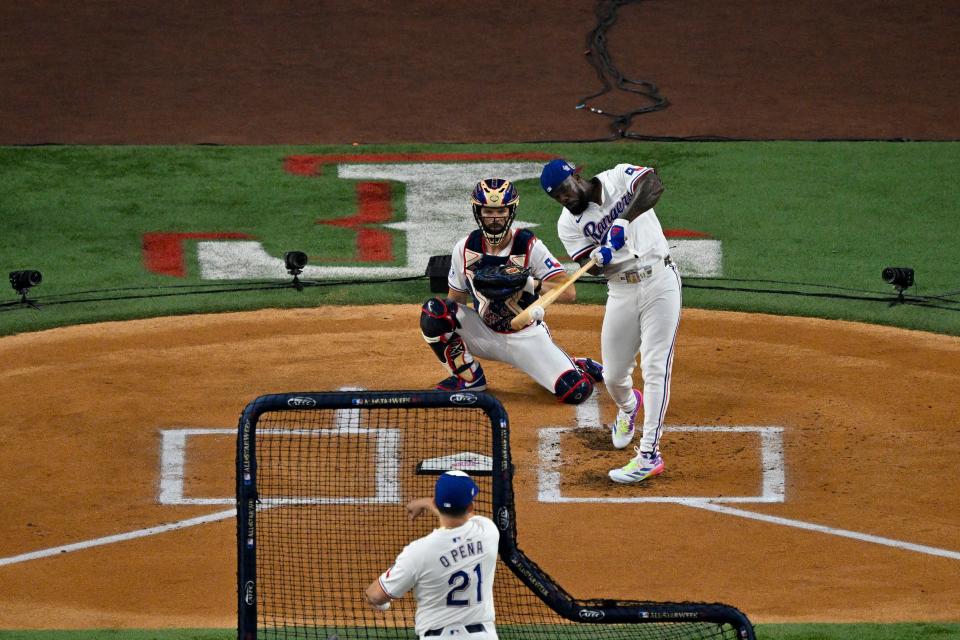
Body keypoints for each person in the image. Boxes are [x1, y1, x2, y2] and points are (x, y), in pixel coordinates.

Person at [540, 159, 681, 483]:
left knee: (656, 367)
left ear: (576, 175)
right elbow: (593, 265)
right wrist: (603, 257)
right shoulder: (567, 224)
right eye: (557, 196)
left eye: (565, 189)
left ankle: (649, 454)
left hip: (660, 279)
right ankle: (629, 407)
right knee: (614, 375)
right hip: (621, 290)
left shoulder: (618, 177)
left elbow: (653, 184)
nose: (564, 198)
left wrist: (622, 221)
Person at [419, 177, 603, 404]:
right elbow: (454, 301)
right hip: (484, 332)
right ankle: (468, 378)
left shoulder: (528, 245)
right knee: (435, 312)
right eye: (488, 211)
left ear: (511, 211)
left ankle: (577, 364)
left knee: (576, 392)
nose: (495, 219)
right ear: (478, 212)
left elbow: (568, 292)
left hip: (525, 336)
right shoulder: (464, 248)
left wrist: (529, 284)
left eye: (501, 211)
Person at [365, 470, 500, 640]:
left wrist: (379, 601)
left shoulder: (418, 552)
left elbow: (375, 595)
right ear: (470, 506)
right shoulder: (487, 531)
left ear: (436, 502)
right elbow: (460, 517)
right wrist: (426, 504)